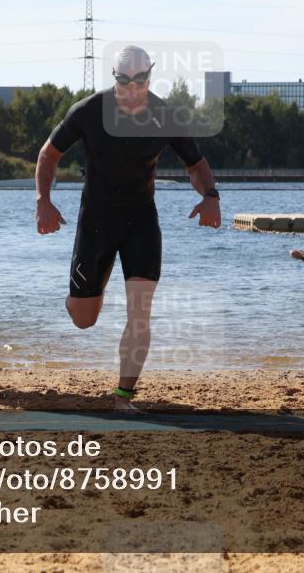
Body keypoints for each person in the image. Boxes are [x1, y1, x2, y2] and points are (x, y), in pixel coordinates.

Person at [35, 45, 221, 411]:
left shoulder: (164, 114)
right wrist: (43, 200)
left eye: (140, 80)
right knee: (84, 319)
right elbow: (48, 155)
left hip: (141, 222)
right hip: (96, 223)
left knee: (139, 312)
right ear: (114, 78)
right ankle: (84, 295)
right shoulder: (89, 111)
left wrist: (210, 195)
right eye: (124, 81)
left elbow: (196, 165)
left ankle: (123, 397)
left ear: (150, 77)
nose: (133, 88)